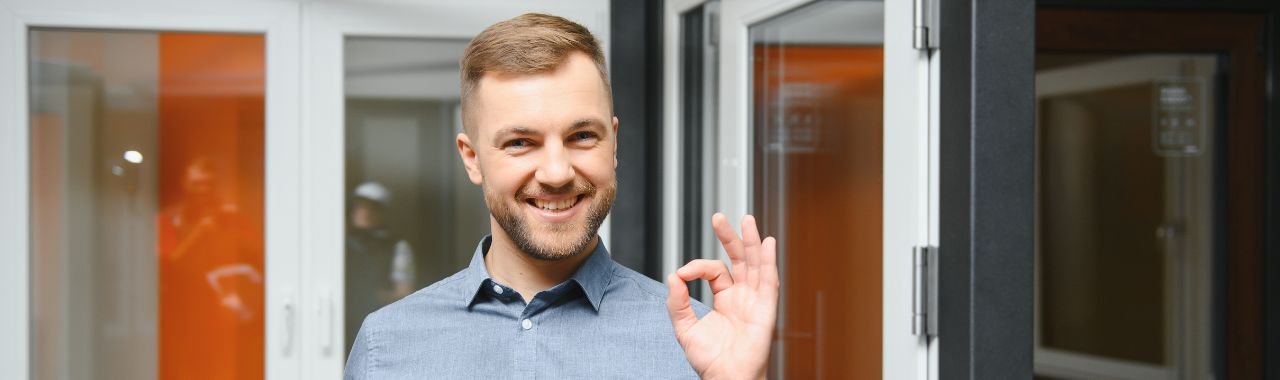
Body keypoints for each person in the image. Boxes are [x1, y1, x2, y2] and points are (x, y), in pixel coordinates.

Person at [344, 13, 778, 379]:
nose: (556, 173)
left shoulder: (701, 345)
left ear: (614, 143)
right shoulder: (387, 346)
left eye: (582, 135)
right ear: (472, 158)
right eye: (520, 142)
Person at [344, 181, 416, 350]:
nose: (362, 212)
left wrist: (373, 297)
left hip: (377, 325)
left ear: (381, 212)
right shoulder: (343, 245)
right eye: (359, 207)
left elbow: (404, 292)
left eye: (370, 208)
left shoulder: (398, 247)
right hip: (345, 323)